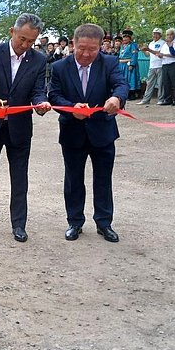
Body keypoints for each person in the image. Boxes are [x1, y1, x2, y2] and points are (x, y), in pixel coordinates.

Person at [0, 13, 51, 243]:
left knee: (19, 178)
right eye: (22, 39)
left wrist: (40, 103)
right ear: (12, 32)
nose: (25, 45)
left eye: (31, 42)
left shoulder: (38, 59)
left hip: (19, 128)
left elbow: (38, 90)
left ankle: (19, 224)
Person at [48, 23, 128, 243]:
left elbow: (121, 85)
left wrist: (116, 98)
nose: (86, 54)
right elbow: (54, 96)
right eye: (81, 48)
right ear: (73, 44)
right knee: (73, 180)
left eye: (92, 49)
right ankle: (75, 222)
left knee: (103, 179)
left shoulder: (109, 63)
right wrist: (72, 108)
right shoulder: (59, 67)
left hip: (102, 131)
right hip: (72, 132)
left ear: (101, 47)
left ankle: (104, 223)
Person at [137, 28, 165, 105]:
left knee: (160, 84)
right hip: (152, 65)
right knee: (149, 83)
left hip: (160, 65)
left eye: (157, 34)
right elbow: (148, 55)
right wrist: (143, 50)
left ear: (160, 35)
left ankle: (161, 99)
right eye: (154, 33)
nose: (155, 35)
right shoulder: (151, 43)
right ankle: (146, 99)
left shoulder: (163, 43)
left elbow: (160, 54)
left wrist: (149, 50)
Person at [158, 28, 175, 106]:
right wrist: (160, 56)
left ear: (174, 35)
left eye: (171, 34)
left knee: (174, 82)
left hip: (173, 64)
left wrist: (163, 55)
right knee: (166, 82)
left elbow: (174, 54)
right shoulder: (164, 44)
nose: (169, 36)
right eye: (167, 34)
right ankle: (167, 99)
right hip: (164, 64)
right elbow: (161, 53)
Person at [117, 31, 139, 99]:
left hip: (129, 65)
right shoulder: (123, 46)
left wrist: (131, 65)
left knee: (130, 79)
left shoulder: (133, 45)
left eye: (126, 37)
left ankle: (132, 94)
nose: (124, 39)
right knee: (123, 79)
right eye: (124, 37)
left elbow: (134, 55)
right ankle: (125, 93)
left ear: (130, 38)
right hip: (122, 65)